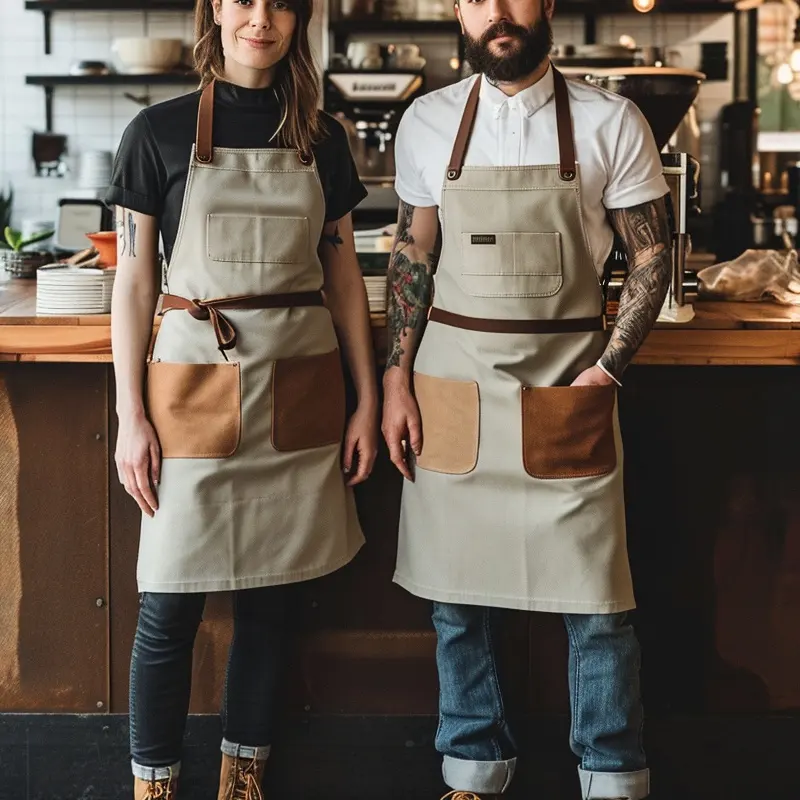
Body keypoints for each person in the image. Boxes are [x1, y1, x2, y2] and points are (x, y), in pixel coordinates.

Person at [381, 0, 673, 798]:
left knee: (598, 604)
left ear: (546, 6)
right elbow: (411, 254)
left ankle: (611, 771)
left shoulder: (612, 122)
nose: (498, 12)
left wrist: (608, 369)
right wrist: (394, 379)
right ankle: (474, 765)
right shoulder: (428, 121)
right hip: (453, 382)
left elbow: (653, 256)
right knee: (455, 600)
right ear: (458, 12)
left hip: (566, 381)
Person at [106, 0, 378, 797]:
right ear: (216, 11)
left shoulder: (321, 138)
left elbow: (344, 276)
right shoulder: (156, 132)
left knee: (272, 602)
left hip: (297, 387)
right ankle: (152, 786)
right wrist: (130, 414)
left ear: (299, 21)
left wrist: (364, 399)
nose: (262, 17)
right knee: (168, 606)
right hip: (191, 386)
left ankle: (242, 780)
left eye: (282, 4)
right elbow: (134, 278)